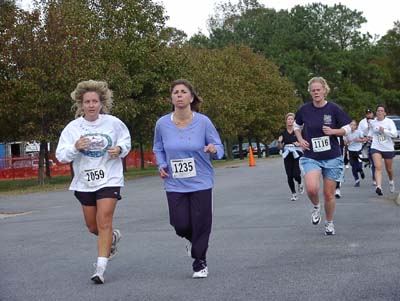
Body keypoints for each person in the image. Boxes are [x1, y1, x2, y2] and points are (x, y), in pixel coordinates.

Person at [56, 80, 131, 284]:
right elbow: (61, 155)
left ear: (101, 103)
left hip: (110, 178)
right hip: (85, 181)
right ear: (81, 104)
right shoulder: (73, 128)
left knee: (104, 221)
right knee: (92, 226)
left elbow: (126, 141)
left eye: (94, 101)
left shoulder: (114, 123)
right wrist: (75, 147)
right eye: (87, 101)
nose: (91, 105)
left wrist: (120, 150)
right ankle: (112, 239)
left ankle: (100, 268)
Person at [153, 79, 224, 278]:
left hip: (201, 180)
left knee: (201, 222)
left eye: (183, 92)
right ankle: (194, 241)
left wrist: (213, 149)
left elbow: (219, 147)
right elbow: (158, 147)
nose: (179, 95)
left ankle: (200, 261)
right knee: (180, 223)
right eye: (175, 92)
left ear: (191, 97)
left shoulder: (203, 122)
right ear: (171, 98)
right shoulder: (162, 124)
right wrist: (161, 164)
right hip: (175, 182)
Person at [294, 77, 351, 236]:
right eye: (313, 90)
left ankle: (329, 222)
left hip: (332, 156)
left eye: (318, 89)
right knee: (312, 189)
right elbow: (296, 126)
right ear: (310, 92)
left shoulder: (334, 109)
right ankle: (316, 206)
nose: (316, 92)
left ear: (325, 90)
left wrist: (333, 132)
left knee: (328, 194)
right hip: (311, 155)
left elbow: (348, 127)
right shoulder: (304, 110)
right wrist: (300, 139)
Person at [368, 104, 397, 196]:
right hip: (376, 147)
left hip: (388, 148)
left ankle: (391, 181)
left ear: (385, 113)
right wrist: (368, 136)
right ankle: (379, 187)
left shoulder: (389, 122)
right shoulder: (373, 122)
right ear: (376, 112)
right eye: (378, 111)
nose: (379, 112)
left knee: (389, 169)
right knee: (378, 167)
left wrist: (384, 130)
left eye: (381, 111)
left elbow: (395, 134)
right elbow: (371, 132)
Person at [278, 113, 304, 201]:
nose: (290, 121)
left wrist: (299, 143)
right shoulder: (283, 132)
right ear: (286, 121)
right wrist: (279, 142)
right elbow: (280, 147)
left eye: (291, 119)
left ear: (294, 121)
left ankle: (300, 183)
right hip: (287, 155)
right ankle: (294, 194)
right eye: (288, 119)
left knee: (296, 174)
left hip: (297, 154)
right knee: (289, 175)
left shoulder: (298, 131)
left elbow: (304, 143)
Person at [344, 120, 366, 187]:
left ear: (356, 126)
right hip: (351, 151)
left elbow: (365, 139)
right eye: (351, 125)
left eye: (354, 125)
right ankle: (357, 180)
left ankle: (361, 170)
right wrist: (347, 141)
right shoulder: (347, 133)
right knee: (353, 166)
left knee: (359, 165)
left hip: (358, 150)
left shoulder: (359, 132)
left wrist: (359, 140)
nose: (352, 126)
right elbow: (344, 143)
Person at [358, 108, 376, 184]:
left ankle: (374, 179)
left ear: (372, 114)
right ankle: (360, 168)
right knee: (362, 158)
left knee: (373, 162)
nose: (369, 114)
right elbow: (359, 131)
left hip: (374, 142)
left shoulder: (376, 121)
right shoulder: (362, 122)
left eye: (370, 113)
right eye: (367, 113)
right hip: (364, 142)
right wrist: (364, 136)